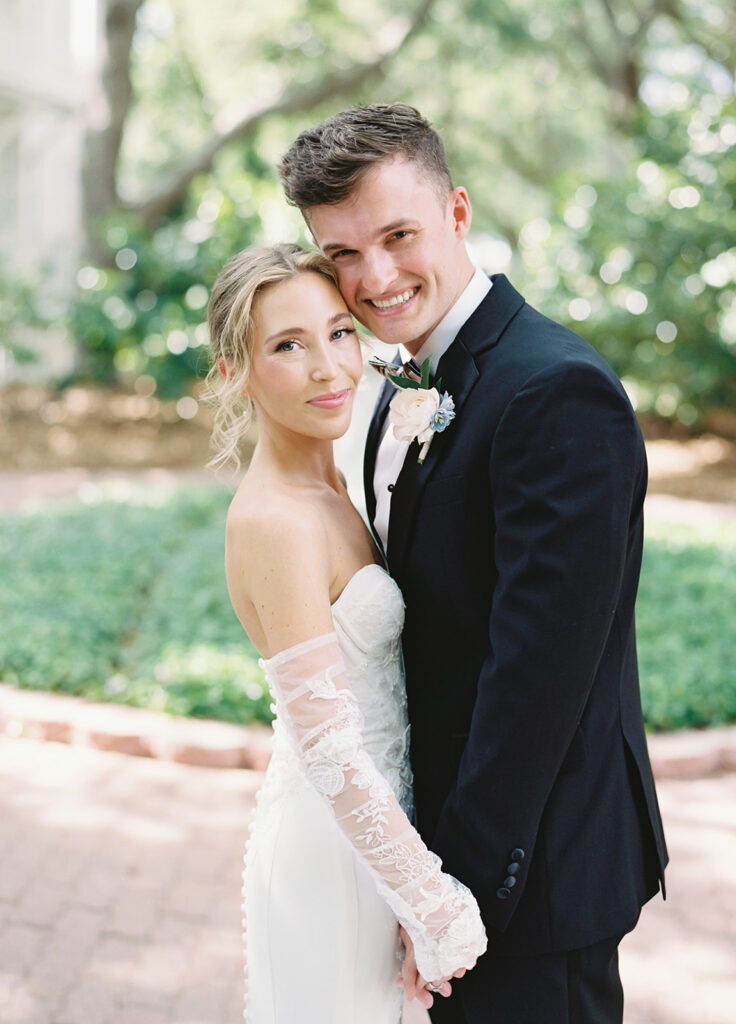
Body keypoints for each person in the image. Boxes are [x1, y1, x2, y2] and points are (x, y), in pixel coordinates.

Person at [278, 103, 669, 1024]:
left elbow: (538, 679)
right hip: (435, 855)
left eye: (398, 235)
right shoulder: (391, 385)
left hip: (530, 872)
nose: (374, 277)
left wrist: (453, 897)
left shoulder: (556, 392)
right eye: (342, 253)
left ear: (457, 213)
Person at [204, 243, 487, 1024]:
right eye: (287, 346)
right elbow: (328, 745)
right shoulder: (275, 522)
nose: (329, 368)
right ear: (236, 370)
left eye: (338, 332)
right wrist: (431, 901)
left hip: (378, 844)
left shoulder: (332, 482)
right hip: (332, 857)